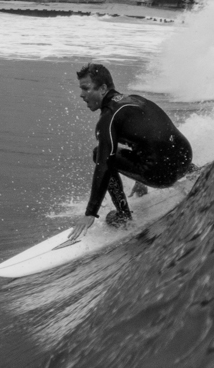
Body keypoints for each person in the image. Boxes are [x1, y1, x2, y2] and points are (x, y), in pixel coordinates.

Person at [67, 62, 193, 242]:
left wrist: (90, 212)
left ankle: (123, 215)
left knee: (100, 153)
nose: (81, 95)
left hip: (163, 174)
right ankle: (195, 172)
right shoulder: (134, 99)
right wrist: (139, 179)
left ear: (103, 88)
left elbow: (104, 164)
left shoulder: (108, 119)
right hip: (185, 159)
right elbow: (150, 135)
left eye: (86, 88)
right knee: (157, 147)